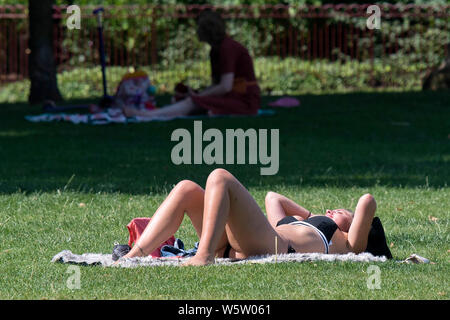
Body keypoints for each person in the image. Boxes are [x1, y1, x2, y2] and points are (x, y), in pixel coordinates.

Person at [118, 168, 378, 266]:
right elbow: (272, 197)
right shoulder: (305, 223)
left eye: (342, 212)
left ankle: (204, 255)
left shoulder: (348, 244)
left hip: (275, 246)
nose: (333, 211)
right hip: (244, 242)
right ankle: (133, 257)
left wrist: (350, 220)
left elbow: (367, 201)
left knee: (220, 177)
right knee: (187, 187)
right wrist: (311, 215)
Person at [122, 10, 261, 119]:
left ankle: (147, 115)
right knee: (186, 100)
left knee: (193, 102)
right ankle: (157, 112)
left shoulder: (227, 48)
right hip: (232, 96)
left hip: (244, 100)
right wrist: (199, 94)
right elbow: (217, 85)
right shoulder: (216, 50)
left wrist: (199, 96)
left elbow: (225, 86)